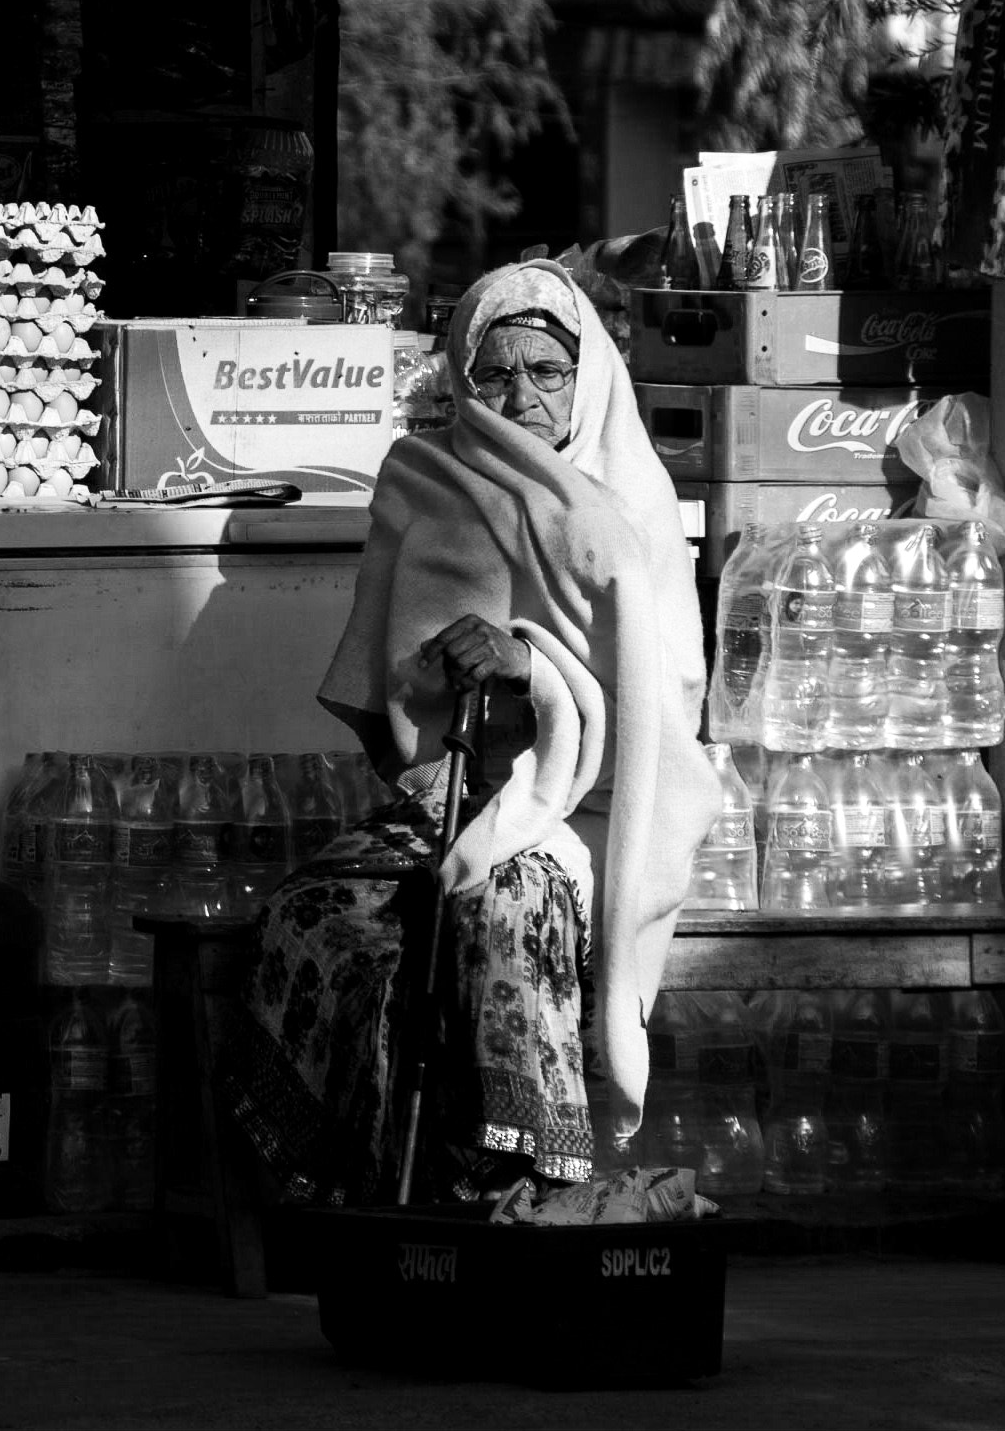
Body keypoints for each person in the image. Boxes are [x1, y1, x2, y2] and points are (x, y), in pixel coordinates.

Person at [223, 259, 719, 1203]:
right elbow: (387, 691)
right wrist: (446, 700)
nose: (520, 395)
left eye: (547, 371)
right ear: (459, 374)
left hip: (599, 803)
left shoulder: (631, 507)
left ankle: (520, 1174)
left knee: (502, 903)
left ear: (588, 378)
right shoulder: (423, 474)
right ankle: (353, 1183)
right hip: (448, 788)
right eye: (494, 372)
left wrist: (534, 668)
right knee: (315, 914)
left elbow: (662, 708)